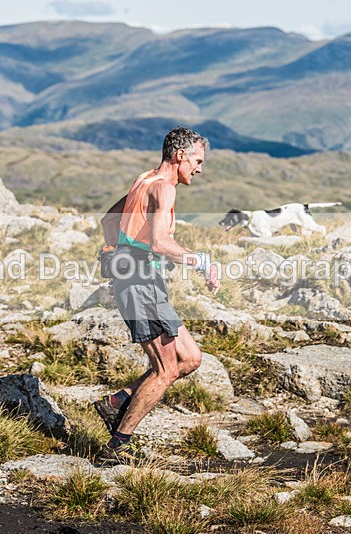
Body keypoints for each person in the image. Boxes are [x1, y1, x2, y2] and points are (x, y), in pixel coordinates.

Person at [95, 126, 221, 462]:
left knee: (190, 358)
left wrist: (115, 257)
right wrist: (203, 262)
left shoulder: (144, 179)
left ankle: (117, 403)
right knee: (166, 370)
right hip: (141, 283)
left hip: (141, 280)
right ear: (179, 155)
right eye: (196, 160)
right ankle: (118, 445)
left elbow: (110, 219)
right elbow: (160, 242)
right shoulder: (164, 189)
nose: (199, 168)